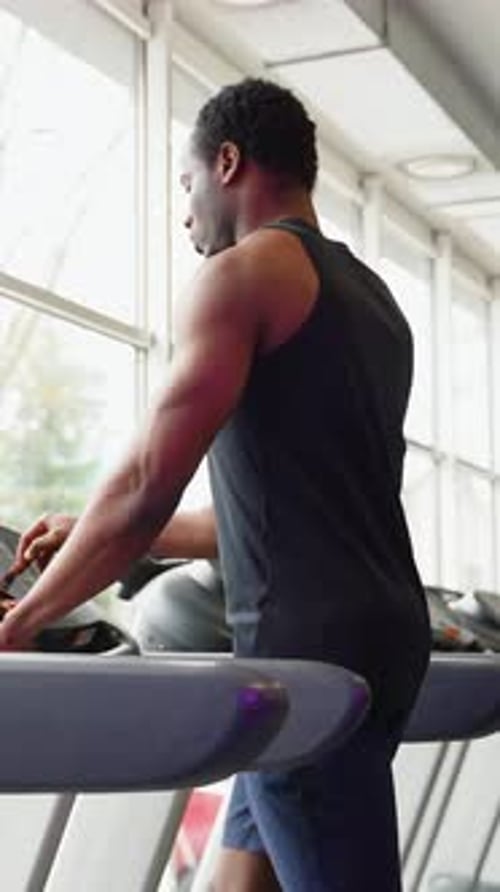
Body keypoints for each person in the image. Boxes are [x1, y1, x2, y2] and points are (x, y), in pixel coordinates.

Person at [0, 78, 431, 890]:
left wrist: (26, 617)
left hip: (307, 661)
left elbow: (142, 485)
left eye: (188, 183)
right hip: (380, 635)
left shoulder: (242, 277)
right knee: (241, 877)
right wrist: (83, 528)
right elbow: (282, 509)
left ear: (227, 162)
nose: (186, 211)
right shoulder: (373, 300)